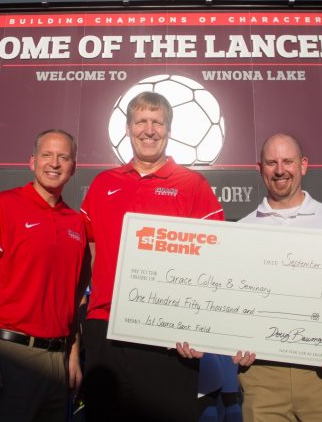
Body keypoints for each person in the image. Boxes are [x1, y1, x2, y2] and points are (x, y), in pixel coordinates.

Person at [79, 91, 224, 422]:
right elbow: (90, 253)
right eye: (141, 121)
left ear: (168, 130)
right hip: (106, 327)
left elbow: (214, 262)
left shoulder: (193, 185)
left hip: (168, 332)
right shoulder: (103, 184)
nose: (149, 130)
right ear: (128, 129)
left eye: (157, 122)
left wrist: (201, 327)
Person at [0, 129, 87, 422]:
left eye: (63, 157)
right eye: (47, 155)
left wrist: (71, 354)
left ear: (73, 167)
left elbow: (72, 299)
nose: (54, 163)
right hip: (9, 358)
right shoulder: (4, 205)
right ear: (32, 161)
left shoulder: (76, 222)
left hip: (57, 361)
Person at [235, 132, 322, 421]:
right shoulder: (241, 230)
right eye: (271, 162)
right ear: (259, 168)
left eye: (287, 161)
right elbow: (235, 301)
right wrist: (234, 343)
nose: (280, 170)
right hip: (262, 375)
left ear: (303, 165)